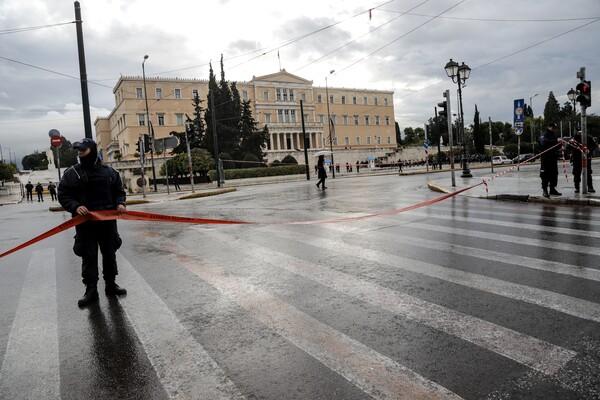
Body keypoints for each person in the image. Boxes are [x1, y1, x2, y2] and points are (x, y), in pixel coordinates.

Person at [58, 138, 127, 307]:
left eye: (83, 150)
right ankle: (91, 290)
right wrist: (75, 206)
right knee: (88, 256)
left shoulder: (109, 172)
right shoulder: (71, 173)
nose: (80, 153)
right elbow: (63, 194)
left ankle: (111, 284)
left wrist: (120, 203)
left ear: (93, 150)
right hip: (85, 224)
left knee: (109, 254)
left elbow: (119, 191)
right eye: (78, 150)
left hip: (107, 223)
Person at [538, 122, 562, 198]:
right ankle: (544, 190)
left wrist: (560, 144)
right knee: (545, 174)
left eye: (555, 128)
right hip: (546, 159)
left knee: (554, 174)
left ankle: (552, 189)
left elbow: (556, 146)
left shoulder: (554, 136)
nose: (554, 129)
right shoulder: (543, 135)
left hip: (553, 158)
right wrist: (556, 141)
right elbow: (544, 143)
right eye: (553, 128)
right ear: (549, 127)